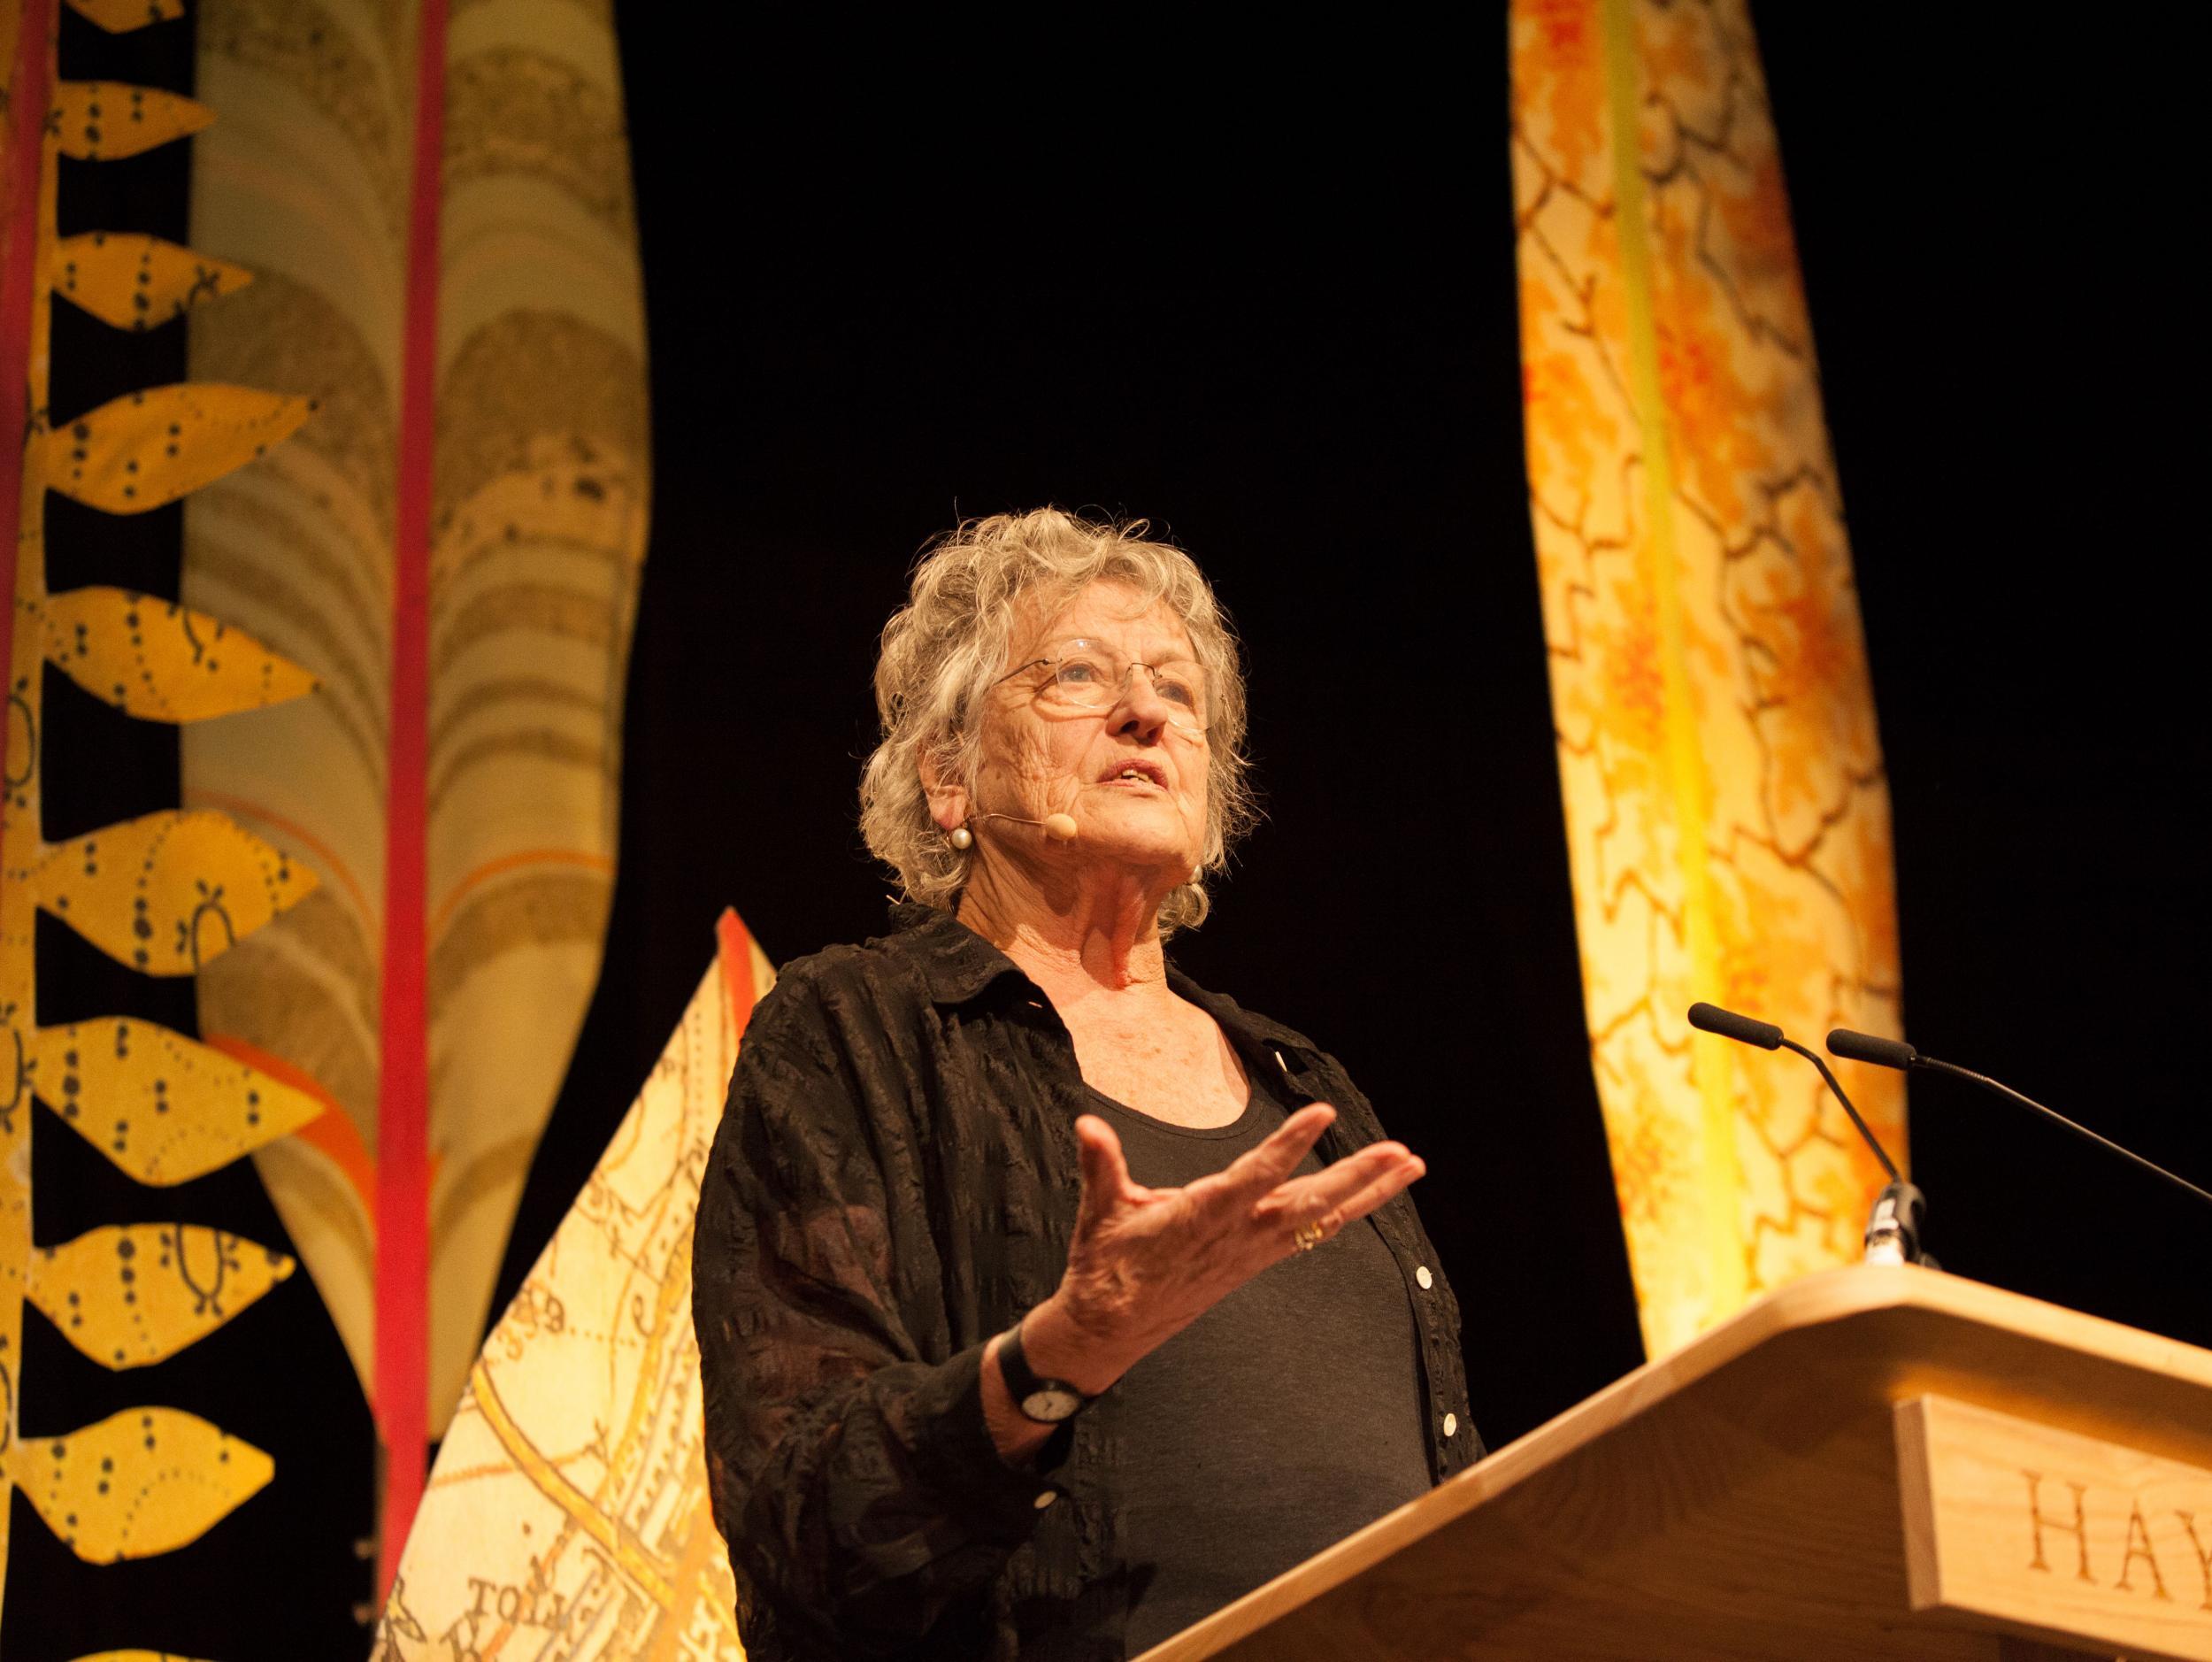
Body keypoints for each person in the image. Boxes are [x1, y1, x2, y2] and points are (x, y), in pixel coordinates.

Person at [694, 509, 1477, 1662]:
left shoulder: (1303, 1078)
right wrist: (1058, 1356)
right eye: (1074, 674)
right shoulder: (853, 1034)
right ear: (947, 775)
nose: (1145, 712)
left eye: (1176, 690)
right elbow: (802, 1524)